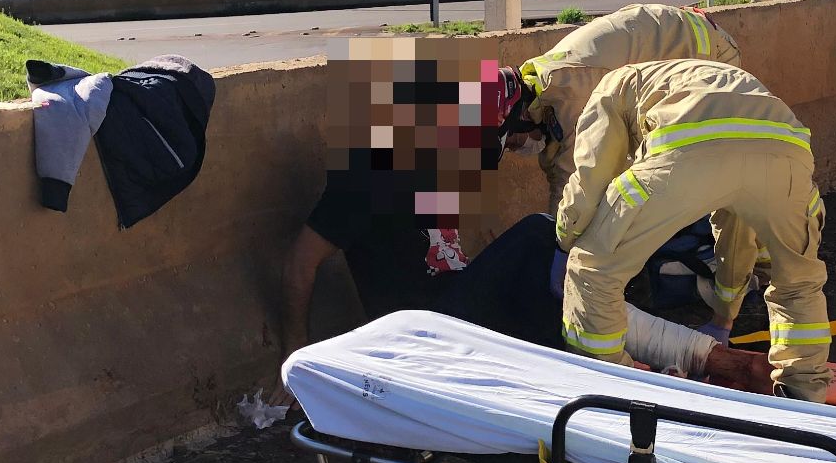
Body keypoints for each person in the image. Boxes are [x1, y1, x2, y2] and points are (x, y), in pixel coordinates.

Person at [282, 55, 771, 392]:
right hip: (420, 330)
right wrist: (291, 366)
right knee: (542, 236)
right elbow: (300, 266)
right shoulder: (370, 174)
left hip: (458, 309)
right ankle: (663, 364)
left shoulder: (429, 167)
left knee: (555, 302)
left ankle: (695, 363)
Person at [555, 59, 833, 402]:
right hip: (786, 154)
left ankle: (610, 390)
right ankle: (805, 394)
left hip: (687, 147)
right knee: (799, 282)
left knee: (593, 270)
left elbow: (589, 183)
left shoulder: (611, 88)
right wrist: (723, 320)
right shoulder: (711, 76)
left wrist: (567, 235)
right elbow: (736, 239)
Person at [492, 4, 742, 203]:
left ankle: (757, 261)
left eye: (512, 142)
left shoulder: (570, 89)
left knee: (683, 183)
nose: (518, 149)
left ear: (520, 115)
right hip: (689, 40)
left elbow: (577, 183)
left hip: (707, 57)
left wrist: (557, 250)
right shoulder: (546, 85)